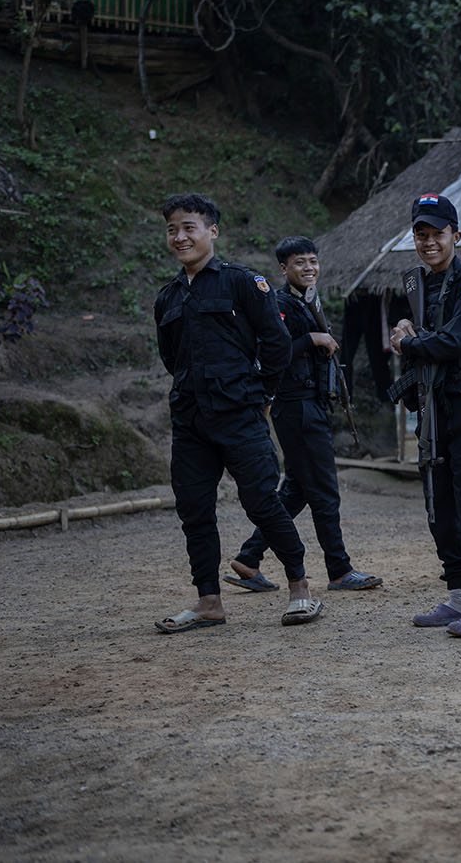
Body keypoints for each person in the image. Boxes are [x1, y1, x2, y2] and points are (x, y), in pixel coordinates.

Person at [152, 193, 322, 632]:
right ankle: (209, 601)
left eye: (189, 227)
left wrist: (258, 392)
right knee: (194, 509)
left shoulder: (243, 283)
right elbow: (172, 358)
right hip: (190, 419)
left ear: (213, 231)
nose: (180, 236)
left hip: (240, 415)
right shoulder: (168, 297)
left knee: (262, 502)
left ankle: (300, 588)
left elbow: (277, 344)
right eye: (173, 229)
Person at [223, 236, 383, 594]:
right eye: (300, 263)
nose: (308, 268)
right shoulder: (278, 303)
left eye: (313, 261)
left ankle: (248, 559)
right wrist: (313, 339)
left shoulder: (309, 301)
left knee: (296, 490)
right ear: (284, 268)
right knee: (325, 490)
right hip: (296, 406)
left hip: (309, 406)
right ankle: (339, 570)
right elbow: (272, 353)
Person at [389, 193, 461, 638]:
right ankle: (458, 597)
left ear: (456, 235)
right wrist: (406, 333)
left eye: (437, 234)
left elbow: (455, 340)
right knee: (439, 506)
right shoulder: (419, 285)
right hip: (434, 405)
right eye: (421, 235)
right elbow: (424, 337)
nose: (429, 242)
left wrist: (407, 343)